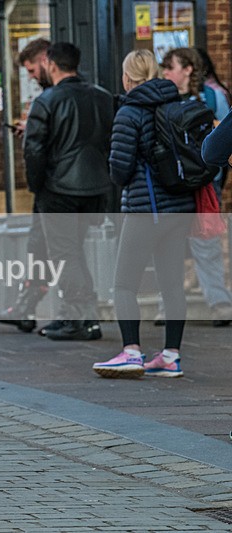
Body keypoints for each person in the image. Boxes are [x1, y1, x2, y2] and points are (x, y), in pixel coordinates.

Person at [92, 50, 194, 379]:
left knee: (123, 284)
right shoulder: (176, 104)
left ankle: (131, 351)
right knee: (172, 285)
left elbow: (120, 170)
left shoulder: (129, 112)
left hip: (143, 209)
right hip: (178, 209)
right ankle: (170, 356)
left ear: (127, 78)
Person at [23, 42, 113, 341]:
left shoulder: (47, 101)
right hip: (95, 188)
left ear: (49, 62)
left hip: (58, 189)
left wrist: (38, 187)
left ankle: (78, 318)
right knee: (74, 252)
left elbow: (34, 150)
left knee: (64, 254)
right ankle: (85, 318)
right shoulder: (102, 97)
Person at [161, 48, 232, 327]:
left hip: (205, 182)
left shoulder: (213, 97)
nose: (166, 72)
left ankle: (220, 304)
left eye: (171, 67)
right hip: (174, 184)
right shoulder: (164, 98)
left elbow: (223, 141)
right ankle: (167, 309)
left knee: (206, 244)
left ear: (188, 69)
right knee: (169, 246)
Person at [0, 38, 53, 333]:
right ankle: (25, 306)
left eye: (31, 69)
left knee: (55, 249)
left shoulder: (54, 98)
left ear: (45, 60)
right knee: (38, 246)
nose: (30, 76)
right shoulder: (49, 97)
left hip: (56, 187)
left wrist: (33, 132)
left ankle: (70, 313)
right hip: (49, 187)